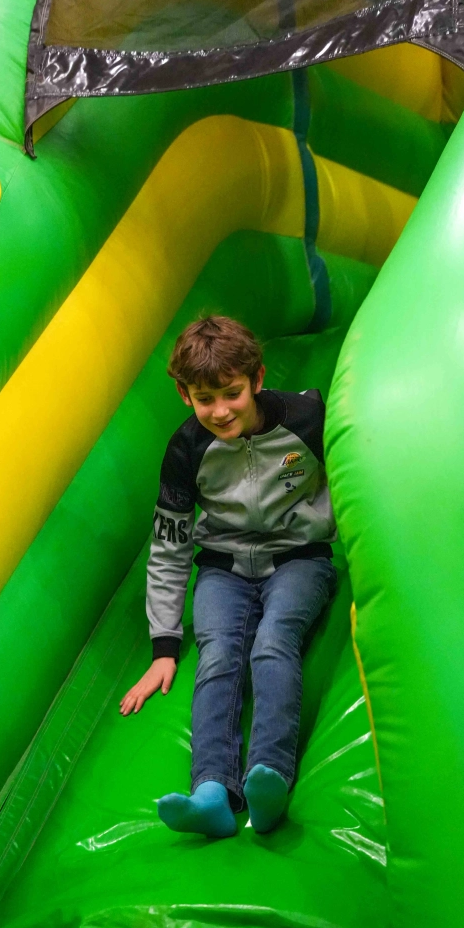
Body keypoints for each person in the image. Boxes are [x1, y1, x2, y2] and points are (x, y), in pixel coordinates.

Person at [120, 315, 338, 837]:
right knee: (218, 655)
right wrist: (164, 645)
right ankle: (212, 791)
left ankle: (270, 776)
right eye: (204, 399)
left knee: (274, 641)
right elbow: (170, 545)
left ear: (257, 379)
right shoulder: (186, 450)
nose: (220, 410)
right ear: (184, 395)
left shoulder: (308, 419)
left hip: (299, 557)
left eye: (231, 393)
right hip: (225, 567)